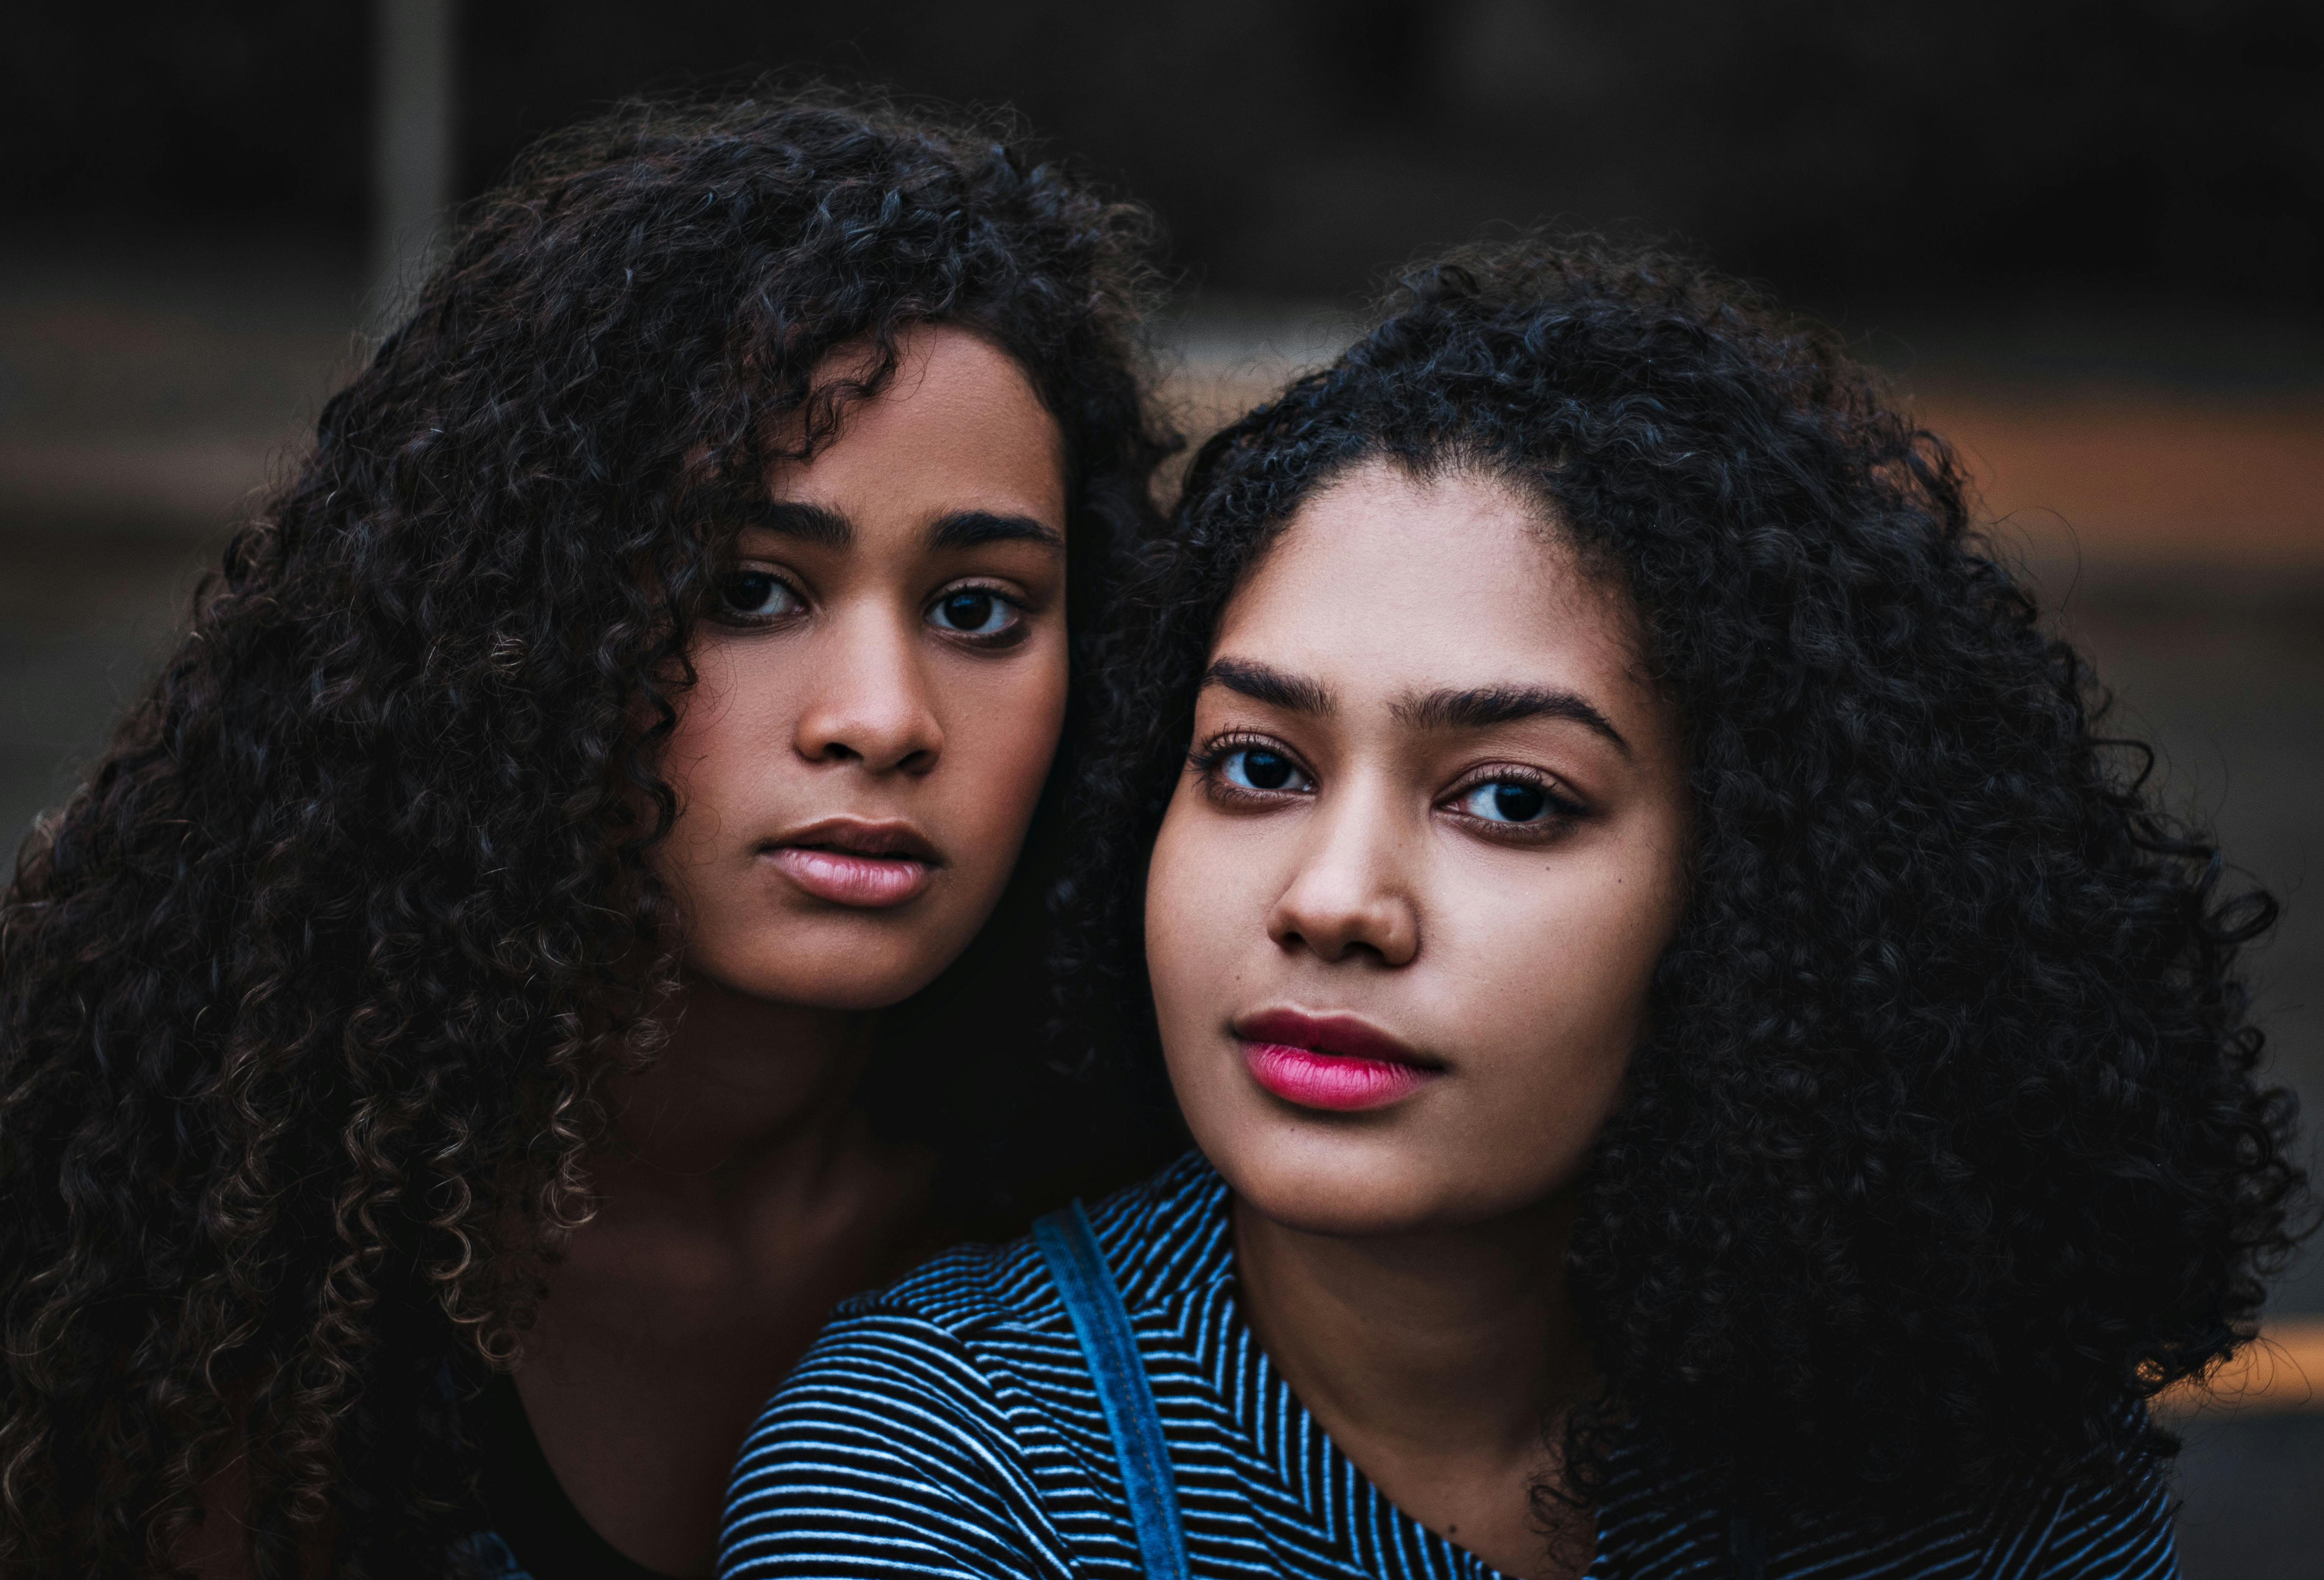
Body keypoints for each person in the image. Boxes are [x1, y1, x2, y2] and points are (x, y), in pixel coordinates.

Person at [718, 241, 2310, 1579]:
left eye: (1509, 798)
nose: (1333, 904)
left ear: (1754, 885)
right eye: (1258, 766)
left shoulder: (1978, 1438)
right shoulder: (941, 1470)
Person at [0, 93, 1178, 1579]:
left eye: (978, 609)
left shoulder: (1134, 1181)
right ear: (520, 630)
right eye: (747, 592)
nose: (880, 717)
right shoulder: (218, 1217)